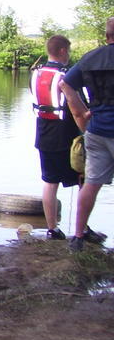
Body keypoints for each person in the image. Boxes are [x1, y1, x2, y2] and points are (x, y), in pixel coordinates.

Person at [59, 18, 114, 252]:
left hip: (97, 129)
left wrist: (80, 110)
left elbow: (64, 84)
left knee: (91, 183)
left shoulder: (90, 58)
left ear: (106, 36)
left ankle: (78, 237)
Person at [31, 35, 81, 240]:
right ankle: (82, 229)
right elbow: (76, 106)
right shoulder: (66, 76)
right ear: (62, 51)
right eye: (68, 51)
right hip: (66, 136)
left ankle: (52, 229)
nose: (69, 55)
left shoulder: (36, 73)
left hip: (43, 134)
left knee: (50, 182)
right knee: (82, 181)